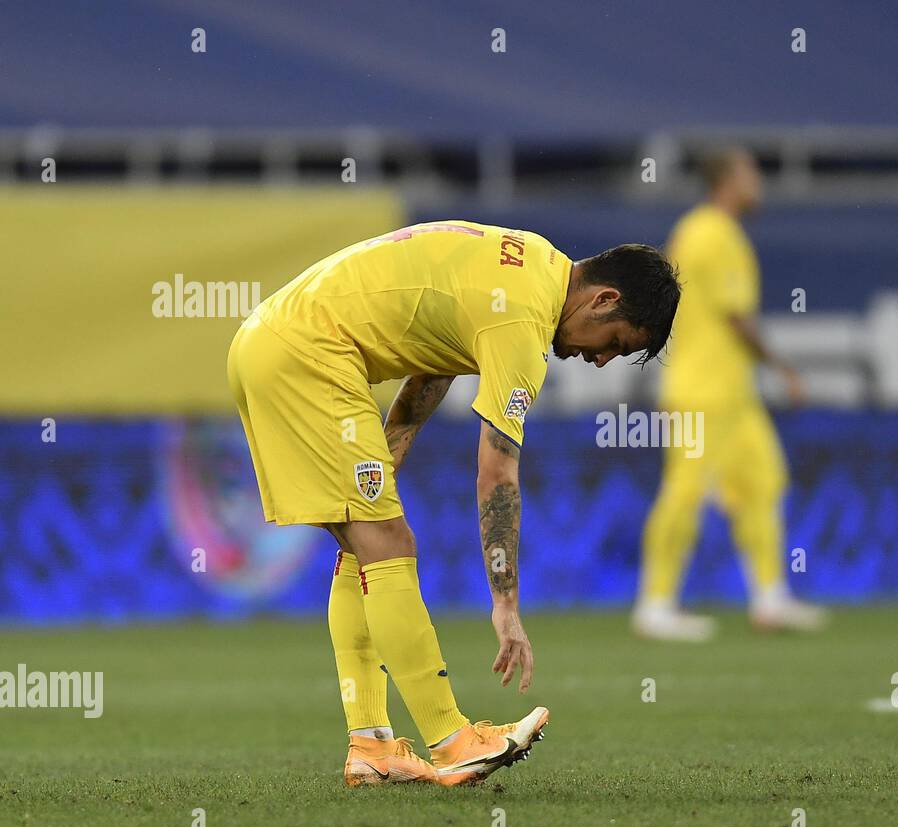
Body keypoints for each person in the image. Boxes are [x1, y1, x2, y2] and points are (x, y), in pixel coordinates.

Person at [227, 221, 680, 784]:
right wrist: (505, 602)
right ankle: (452, 742)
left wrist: (399, 436)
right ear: (604, 299)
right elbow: (498, 473)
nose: (602, 361)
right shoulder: (524, 323)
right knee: (388, 542)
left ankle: (372, 746)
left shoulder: (534, 261)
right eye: (614, 342)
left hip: (271, 343)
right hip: (308, 355)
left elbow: (439, 340)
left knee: (360, 546)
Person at [633, 149, 826, 641]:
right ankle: (655, 603)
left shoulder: (703, 229)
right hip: (703, 391)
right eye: (750, 173)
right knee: (685, 491)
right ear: (728, 179)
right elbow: (736, 317)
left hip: (732, 393)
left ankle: (769, 597)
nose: (757, 182)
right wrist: (784, 369)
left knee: (762, 482)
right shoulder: (714, 233)